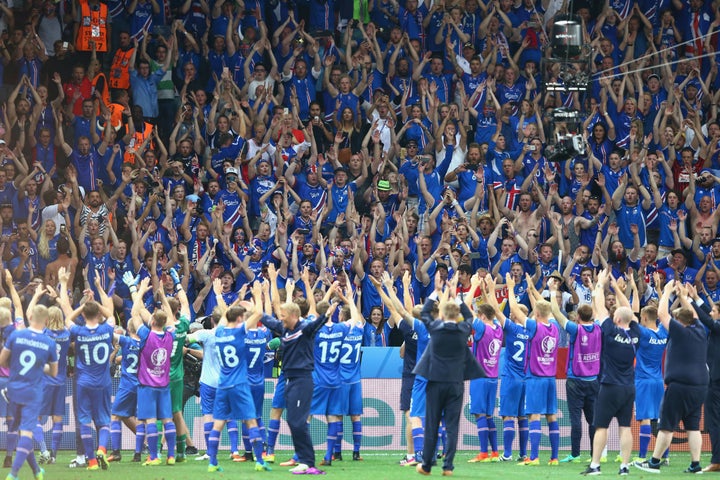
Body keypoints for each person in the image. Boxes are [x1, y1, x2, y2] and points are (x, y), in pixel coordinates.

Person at [260, 268, 338, 475]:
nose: (281, 318)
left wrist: (327, 313)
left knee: (297, 421)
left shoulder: (304, 328)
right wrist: (257, 310)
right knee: (294, 420)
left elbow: (316, 324)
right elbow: (271, 319)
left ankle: (307, 462)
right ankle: (305, 461)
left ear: (294, 315)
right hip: (292, 380)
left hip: (303, 379)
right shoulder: (286, 329)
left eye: (284, 315)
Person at [634, 279, 708, 474]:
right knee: (693, 426)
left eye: (676, 319)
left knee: (666, 425)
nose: (672, 322)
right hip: (700, 385)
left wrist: (666, 291)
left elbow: (661, 313)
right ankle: (695, 464)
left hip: (680, 385)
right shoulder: (700, 329)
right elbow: (693, 315)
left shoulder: (680, 331)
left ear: (680, 322)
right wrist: (684, 297)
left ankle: (654, 462)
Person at [414, 272, 484, 476]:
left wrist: (437, 292)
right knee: (452, 426)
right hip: (455, 383)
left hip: (435, 381)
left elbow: (425, 313)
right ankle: (448, 466)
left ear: (443, 314)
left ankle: (426, 465)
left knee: (431, 424)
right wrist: (456, 297)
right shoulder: (463, 329)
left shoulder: (436, 328)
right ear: (458, 316)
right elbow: (470, 316)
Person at [205, 282, 271, 473]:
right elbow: (258, 314)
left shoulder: (218, 332)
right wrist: (258, 295)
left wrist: (218, 295)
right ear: (241, 318)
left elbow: (225, 317)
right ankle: (259, 461)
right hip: (240, 384)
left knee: (218, 423)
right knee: (251, 421)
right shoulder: (240, 332)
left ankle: (212, 462)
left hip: (223, 384)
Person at [581, 268, 641, 476]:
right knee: (625, 427)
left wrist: (600, 284)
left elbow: (598, 305)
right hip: (628, 387)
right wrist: (617, 288)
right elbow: (631, 311)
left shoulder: (610, 331)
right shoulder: (636, 334)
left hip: (609, 386)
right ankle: (624, 466)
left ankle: (595, 465)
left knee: (601, 427)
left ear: (616, 320)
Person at [0, 304, 58, 480]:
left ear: (30, 316)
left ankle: (36, 471)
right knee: (26, 432)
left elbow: (2, 361)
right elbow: (54, 372)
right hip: (33, 392)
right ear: (46, 321)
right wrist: (41, 366)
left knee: (19, 430)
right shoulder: (49, 342)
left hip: (14, 389)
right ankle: (13, 474)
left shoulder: (17, 335)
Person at [548, 281, 600, 464]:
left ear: (577, 316)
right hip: (594, 381)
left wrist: (553, 292)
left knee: (575, 419)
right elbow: (597, 310)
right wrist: (594, 291)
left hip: (575, 381)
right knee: (593, 420)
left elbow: (556, 313)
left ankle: (576, 454)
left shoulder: (575, 329)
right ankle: (595, 454)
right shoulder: (599, 328)